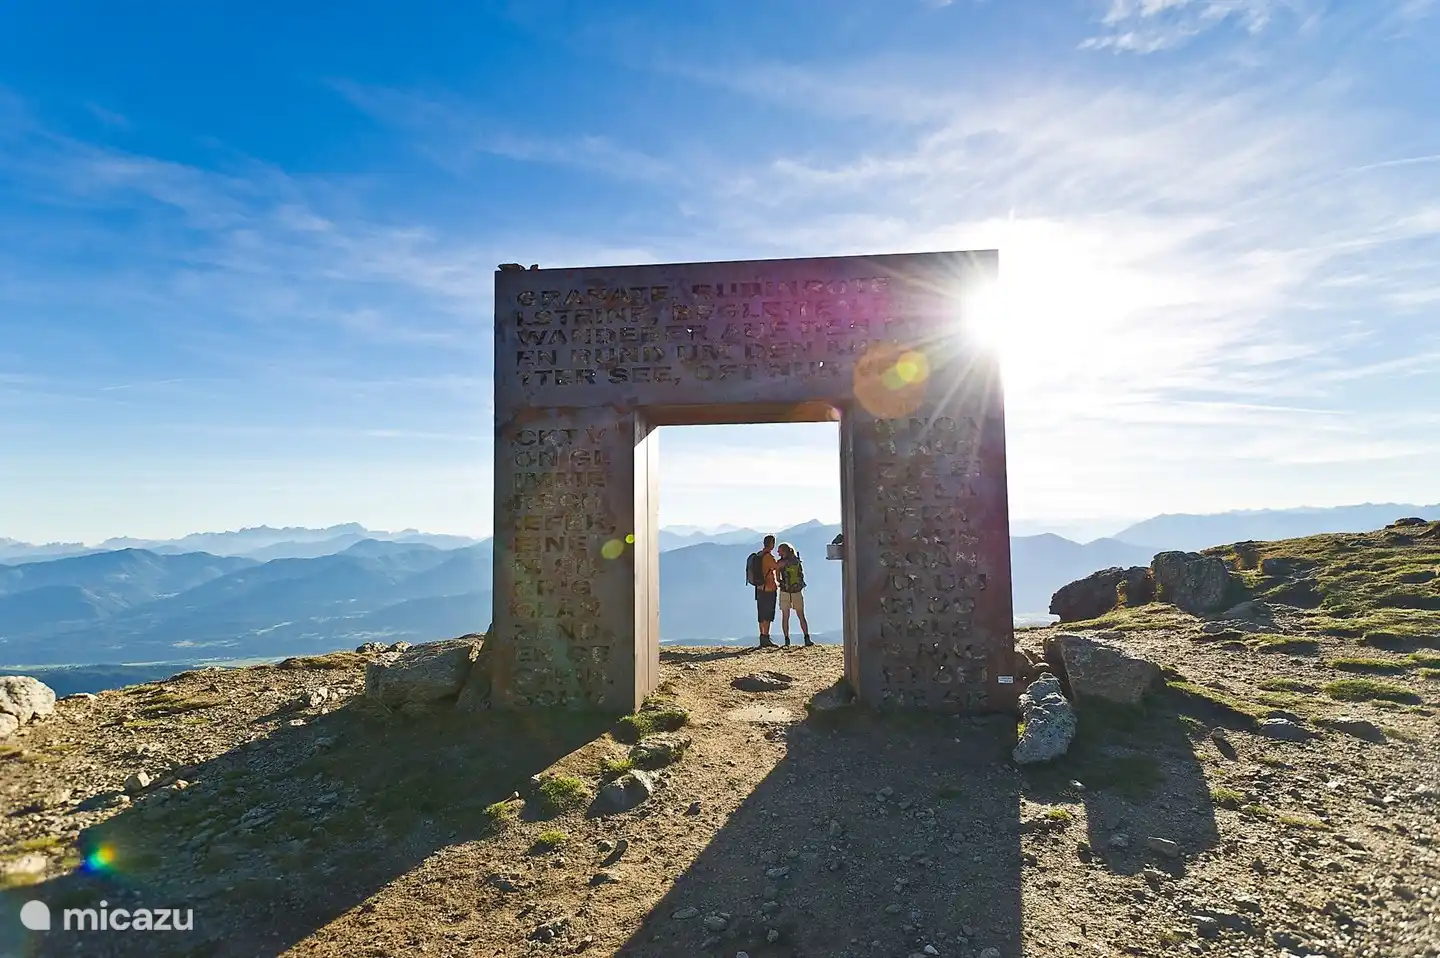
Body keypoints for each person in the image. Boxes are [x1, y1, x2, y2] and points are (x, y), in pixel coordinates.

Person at [746, 534, 780, 649]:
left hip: (759, 588)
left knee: (761, 614)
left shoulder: (759, 555)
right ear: (772, 544)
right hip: (769, 588)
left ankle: (762, 636)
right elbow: (776, 566)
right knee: (768, 614)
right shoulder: (768, 557)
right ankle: (766, 637)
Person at [775, 542, 812, 647]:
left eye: (779, 551)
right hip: (797, 592)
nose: (778, 553)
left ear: (784, 551)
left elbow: (777, 577)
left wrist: (781, 583)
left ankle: (787, 640)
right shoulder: (796, 561)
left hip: (785, 592)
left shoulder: (781, 563)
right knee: (801, 616)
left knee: (785, 617)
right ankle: (806, 638)